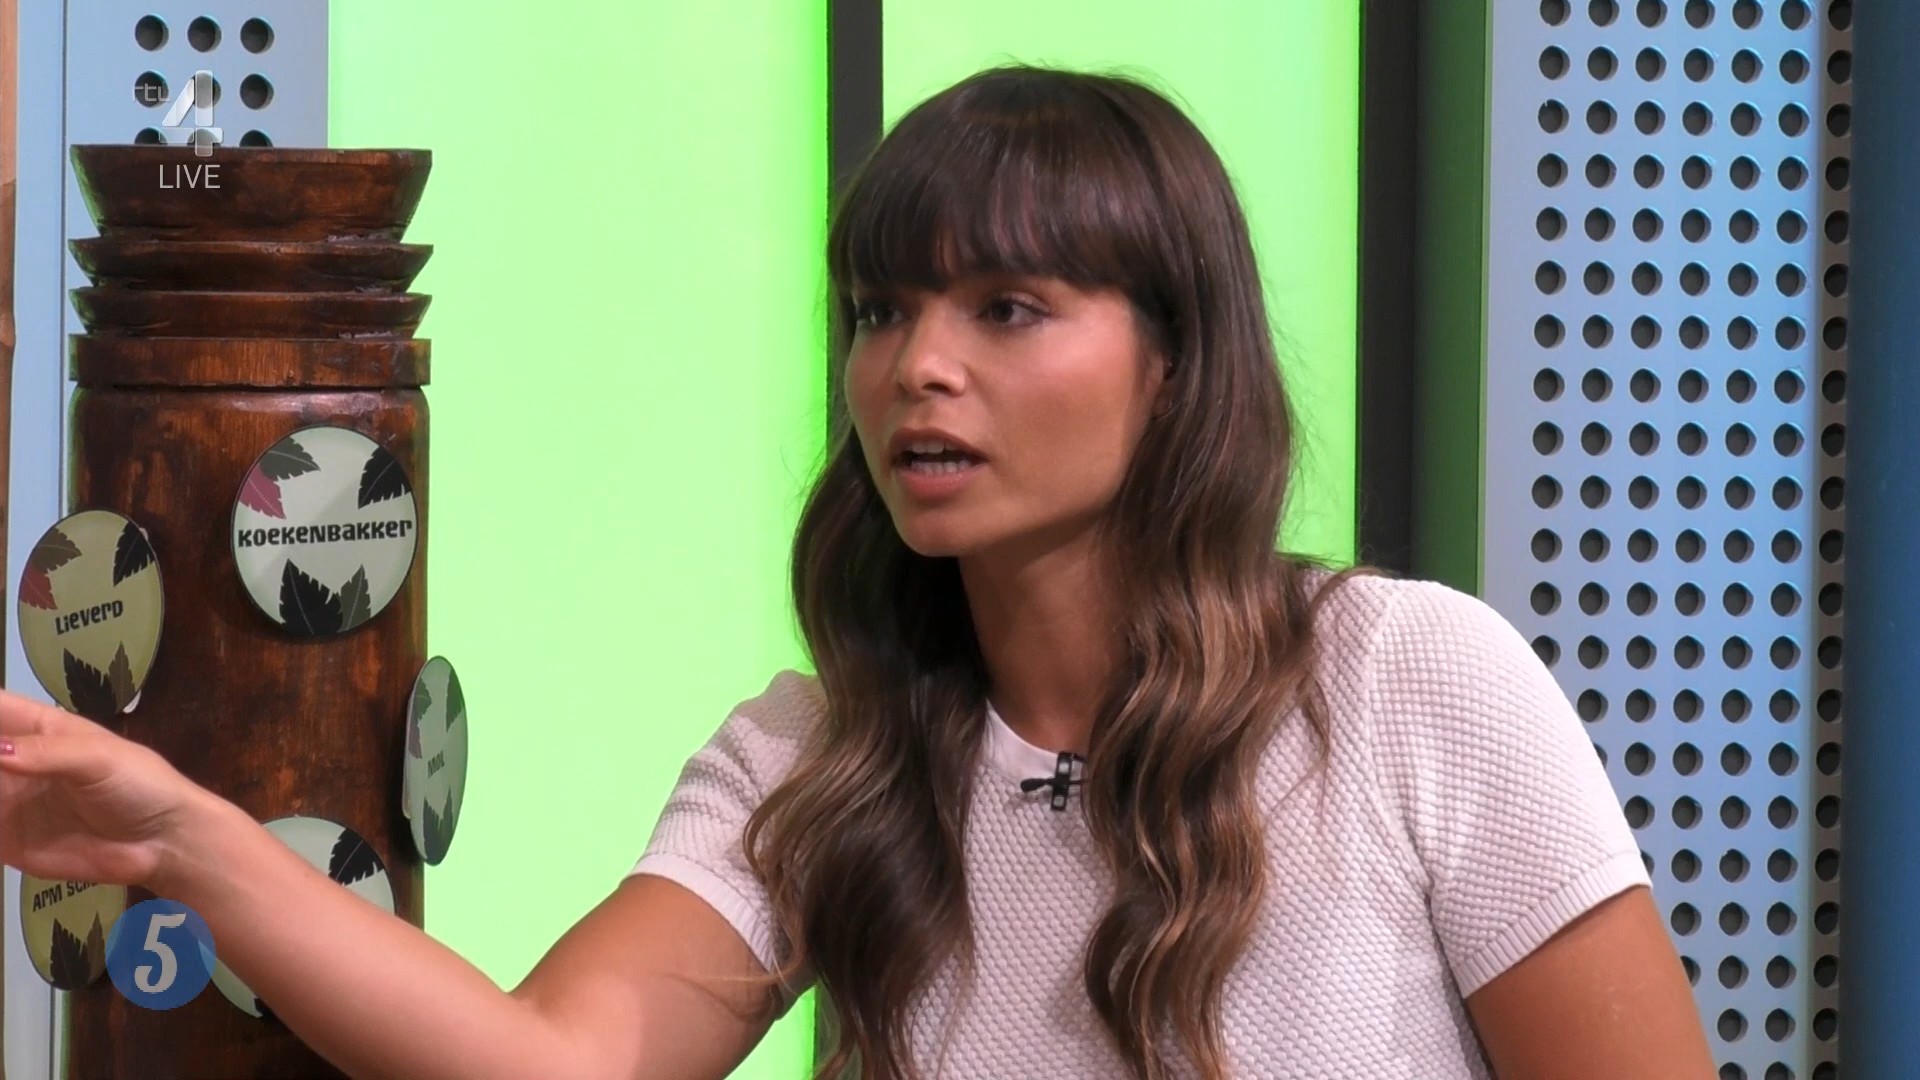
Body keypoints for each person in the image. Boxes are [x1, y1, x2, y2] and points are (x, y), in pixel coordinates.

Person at [0, 64, 1715, 1080]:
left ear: (1176, 362)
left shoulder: (1409, 677)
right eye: (883, 311)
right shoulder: (821, 754)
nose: (916, 370)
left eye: (1008, 309)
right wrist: (181, 838)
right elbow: (554, 1062)